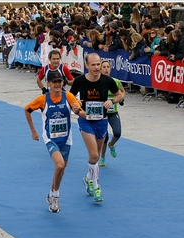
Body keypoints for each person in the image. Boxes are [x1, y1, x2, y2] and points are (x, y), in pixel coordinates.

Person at [25, 72, 83, 212]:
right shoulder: (42, 100)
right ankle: (56, 196)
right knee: (59, 165)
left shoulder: (68, 96)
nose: (57, 84)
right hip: (50, 138)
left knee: (61, 170)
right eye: (54, 82)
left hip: (66, 138)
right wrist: (33, 131)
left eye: (60, 81)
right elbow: (27, 110)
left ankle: (51, 193)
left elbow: (77, 108)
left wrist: (79, 111)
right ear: (48, 84)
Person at [69, 53, 124, 202]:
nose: (96, 67)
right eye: (93, 65)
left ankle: (88, 179)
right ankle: (97, 186)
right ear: (86, 66)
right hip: (86, 120)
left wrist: (112, 101)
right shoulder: (79, 81)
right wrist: (76, 107)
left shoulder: (108, 81)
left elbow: (120, 95)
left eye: (98, 64)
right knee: (93, 155)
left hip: (102, 120)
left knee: (96, 156)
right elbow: (70, 98)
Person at [98, 60, 125, 167]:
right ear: (100, 69)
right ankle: (102, 157)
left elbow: (122, 91)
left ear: (110, 69)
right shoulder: (98, 82)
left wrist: (121, 99)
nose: (105, 69)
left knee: (117, 133)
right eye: (103, 67)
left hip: (113, 112)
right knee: (104, 137)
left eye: (107, 67)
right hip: (101, 114)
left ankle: (112, 145)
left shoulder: (116, 81)